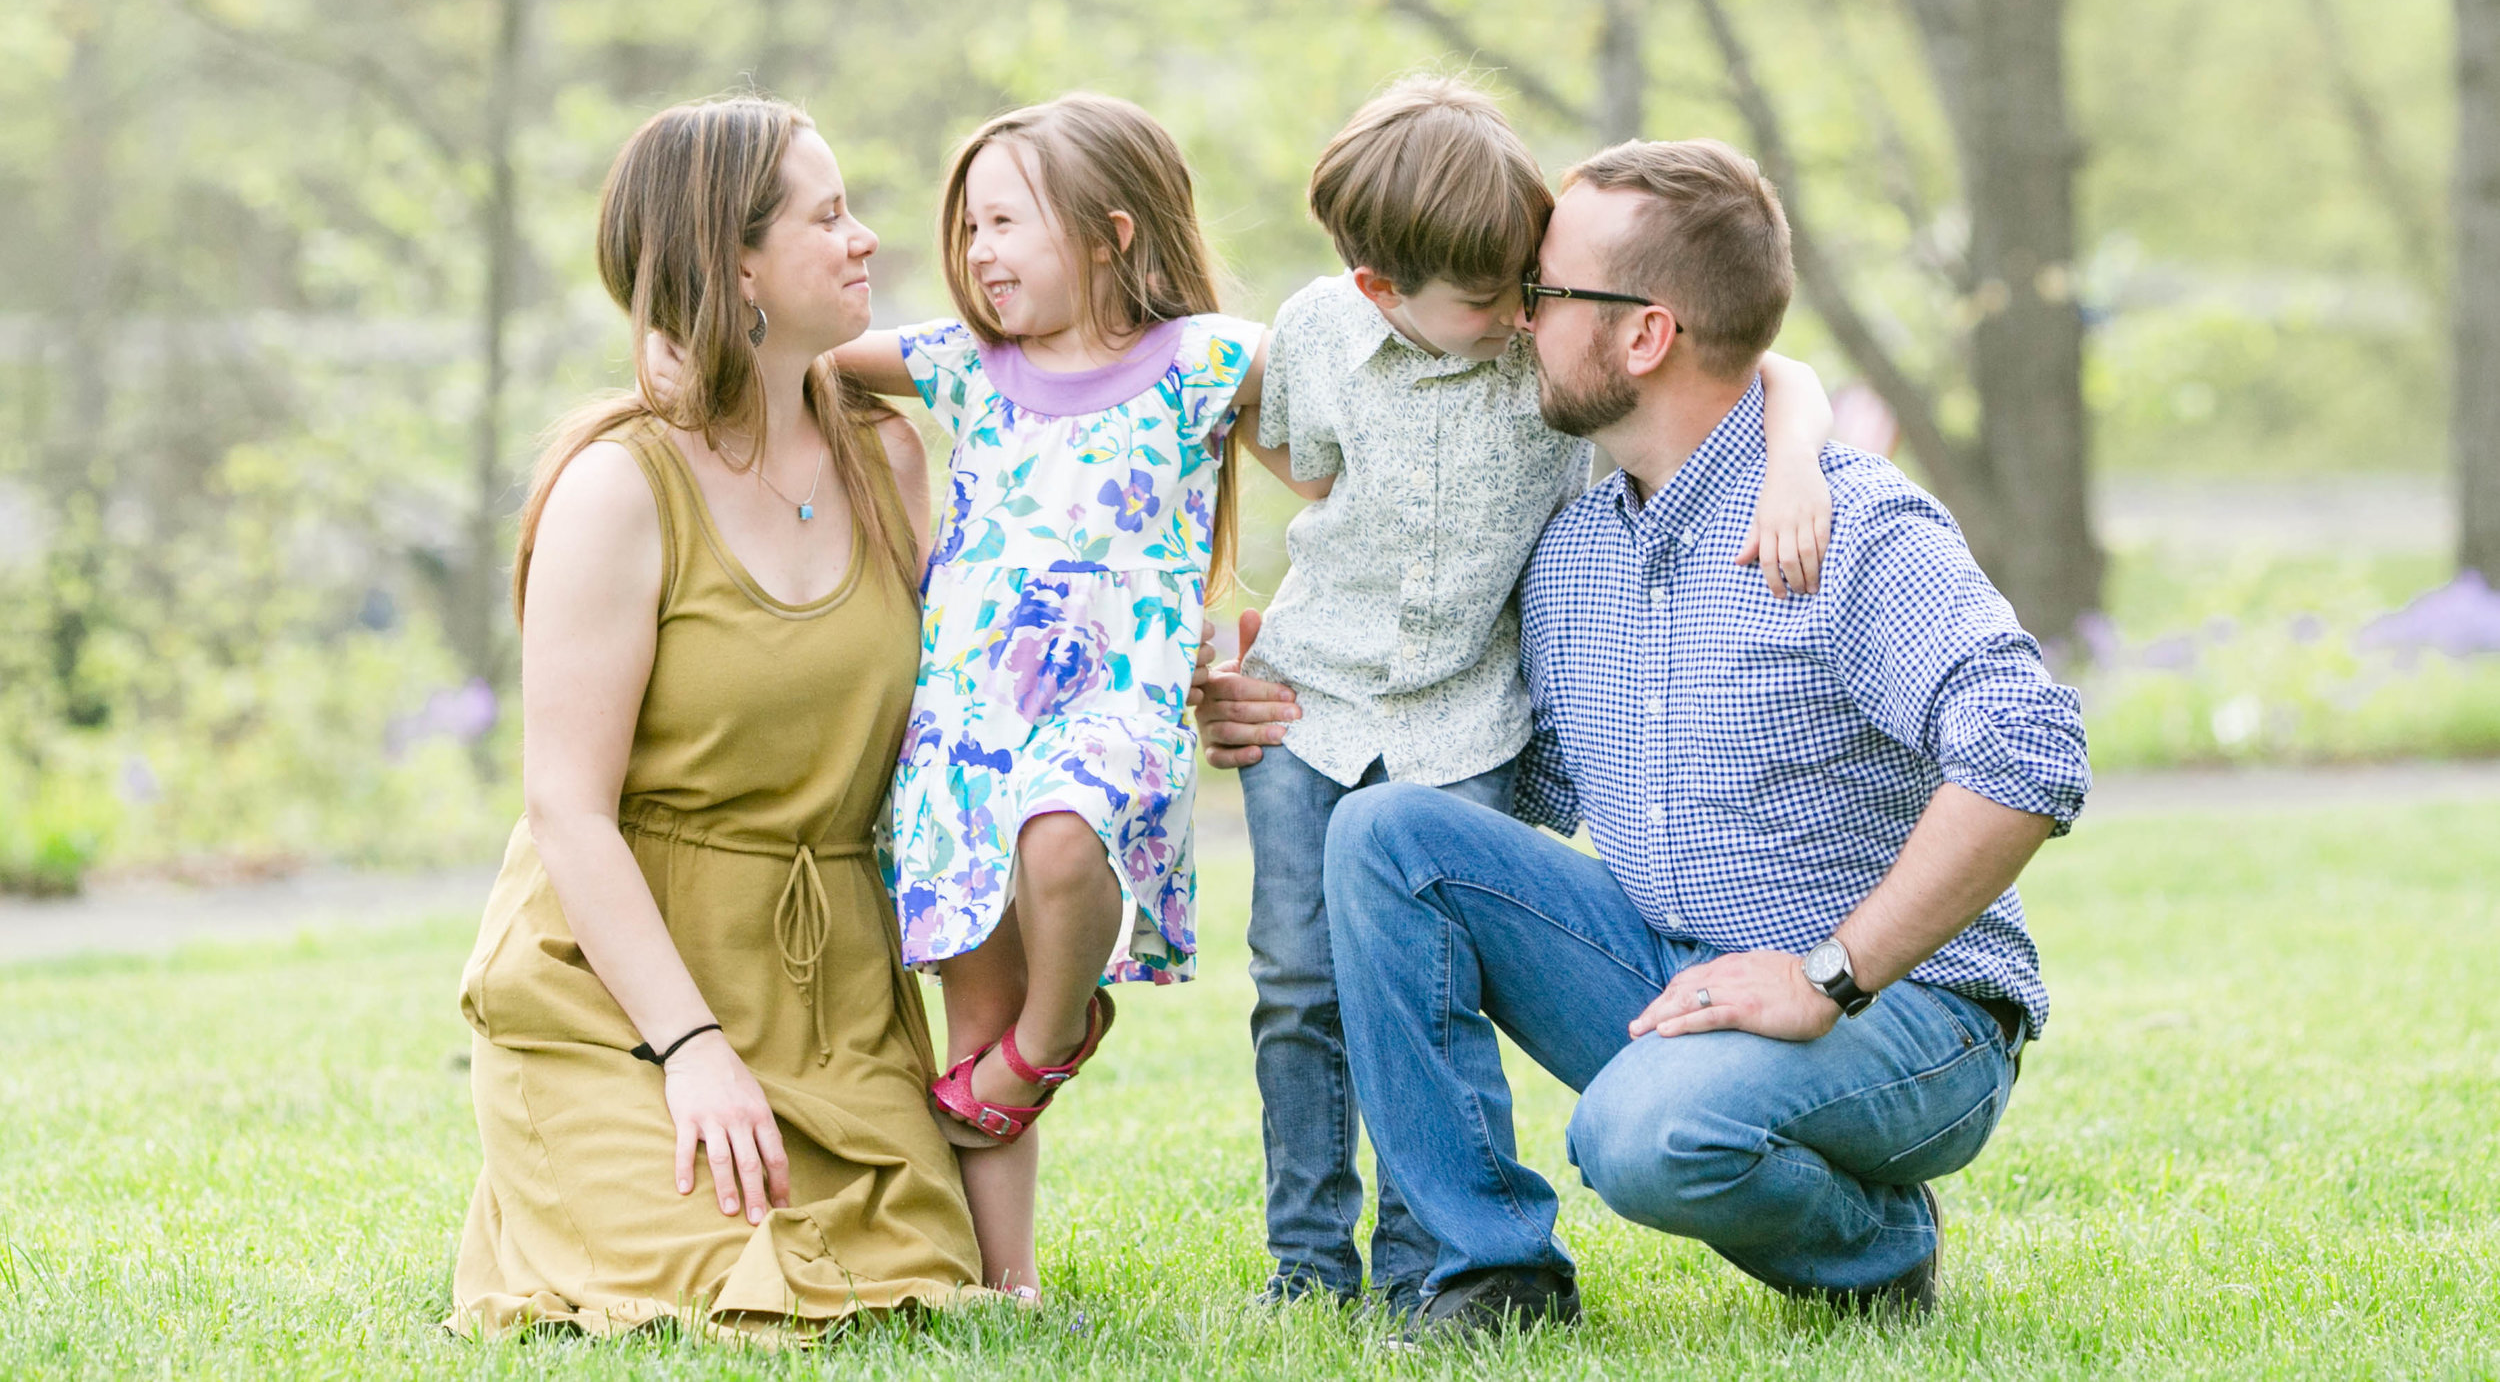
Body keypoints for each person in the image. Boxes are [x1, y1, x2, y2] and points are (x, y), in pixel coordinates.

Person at [1197, 138, 2091, 1338]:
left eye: (1545, 290)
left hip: (1905, 1012)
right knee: (1386, 832)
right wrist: (1286, 702)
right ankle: (1488, 1272)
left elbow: (2030, 749)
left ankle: (1881, 1241)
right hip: (1676, 971)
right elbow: (1503, 799)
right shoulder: (1572, 551)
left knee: (1645, 1135)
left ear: (1644, 335)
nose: (1520, 315)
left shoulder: (1843, 525)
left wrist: (1828, 971)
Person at [1235, 78, 1836, 1315]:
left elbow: (1764, 360)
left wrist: (1793, 465)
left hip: (1465, 715)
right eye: (1490, 295)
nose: (1522, 308)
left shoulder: (1547, 358)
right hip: (1312, 709)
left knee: (1424, 983)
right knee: (1297, 985)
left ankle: (1437, 1260)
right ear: (1379, 291)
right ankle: (1306, 1260)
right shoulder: (1311, 334)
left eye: (1528, 277)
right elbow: (1271, 444)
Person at [450, 97, 985, 1340]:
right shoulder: (617, 486)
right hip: (622, 991)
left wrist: (1187, 686)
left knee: (896, 1279)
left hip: (831, 988)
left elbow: (985, 696)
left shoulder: (892, 457)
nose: (865, 239)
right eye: (828, 213)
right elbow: (565, 810)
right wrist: (691, 1047)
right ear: (735, 259)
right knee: (719, 1282)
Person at [814, 94, 1282, 1296]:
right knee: (973, 1000)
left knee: (1066, 838)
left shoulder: (1210, 362)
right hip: (966, 722)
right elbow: (790, 353)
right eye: (967, 227)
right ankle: (1004, 1281)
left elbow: (1349, 472)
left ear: (1113, 233)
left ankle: (1055, 1031)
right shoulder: (966, 366)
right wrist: (675, 347)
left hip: (1114, 709)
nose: (977, 253)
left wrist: (1273, 643)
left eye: (1005, 223)